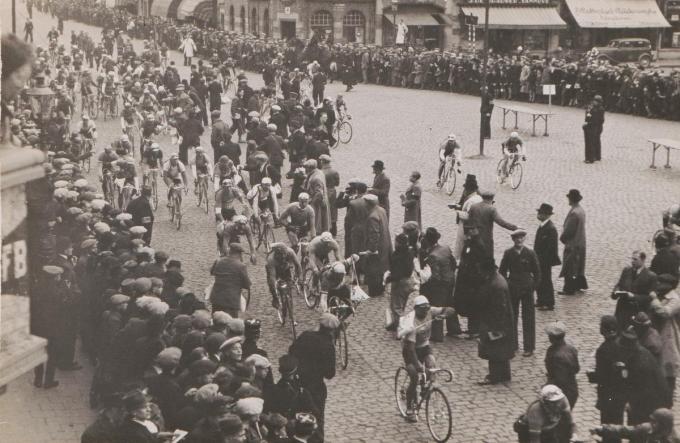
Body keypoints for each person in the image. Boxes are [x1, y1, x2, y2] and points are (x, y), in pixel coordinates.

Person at [397, 295, 456, 422]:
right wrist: (418, 366)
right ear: (416, 309)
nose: (425, 311)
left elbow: (451, 309)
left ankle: (425, 388)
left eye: (427, 308)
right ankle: (410, 407)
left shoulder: (430, 311)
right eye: (422, 309)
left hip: (424, 346)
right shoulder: (411, 324)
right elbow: (411, 350)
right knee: (414, 375)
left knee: (432, 364)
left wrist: (444, 315)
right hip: (410, 350)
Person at [289, 313, 340, 441]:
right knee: (316, 419)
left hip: (298, 384)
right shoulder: (328, 346)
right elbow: (330, 373)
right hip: (316, 388)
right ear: (332, 330)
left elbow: (291, 352)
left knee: (297, 416)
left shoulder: (306, 335)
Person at [499, 229, 540, 357]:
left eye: (521, 237)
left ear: (524, 239)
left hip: (527, 288)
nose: (519, 240)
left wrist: (533, 287)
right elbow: (502, 272)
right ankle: (513, 344)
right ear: (513, 239)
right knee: (512, 317)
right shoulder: (508, 253)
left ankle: (529, 347)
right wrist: (507, 285)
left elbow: (537, 272)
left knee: (528, 318)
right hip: (513, 288)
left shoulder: (530, 253)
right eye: (517, 238)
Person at [587, 315, 627, 443]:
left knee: (608, 426)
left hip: (608, 394)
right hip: (621, 394)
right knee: (617, 425)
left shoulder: (603, 349)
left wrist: (591, 375)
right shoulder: (622, 343)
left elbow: (602, 376)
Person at [476, 257, 516, 385]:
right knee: (501, 349)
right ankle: (504, 374)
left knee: (493, 349)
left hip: (496, 323)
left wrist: (495, 328)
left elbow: (500, 308)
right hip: (502, 322)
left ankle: (494, 376)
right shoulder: (497, 279)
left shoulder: (496, 285)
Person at [420, 227, 460, 340]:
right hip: (450, 280)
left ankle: (437, 334)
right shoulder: (445, 248)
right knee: (450, 303)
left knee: (438, 307)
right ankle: (454, 328)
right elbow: (453, 263)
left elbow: (435, 276)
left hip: (441, 284)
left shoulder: (432, 256)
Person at [649, 274, 680, 400]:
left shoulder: (675, 299)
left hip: (668, 334)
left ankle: (669, 394)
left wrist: (655, 300)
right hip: (655, 331)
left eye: (661, 283)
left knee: (668, 364)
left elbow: (665, 313)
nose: (658, 285)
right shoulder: (660, 294)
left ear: (669, 286)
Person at [263, 354, 320, 421]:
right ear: (296, 370)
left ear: (280, 371)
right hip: (297, 428)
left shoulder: (273, 391)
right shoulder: (302, 392)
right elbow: (316, 413)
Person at [612, 250, 657, 328]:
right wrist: (616, 291)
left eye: (635, 259)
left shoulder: (651, 276)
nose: (632, 261)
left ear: (643, 260)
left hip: (636, 312)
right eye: (632, 259)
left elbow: (650, 298)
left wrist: (634, 297)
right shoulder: (626, 270)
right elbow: (619, 284)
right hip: (621, 310)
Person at [468, 190, 519, 259]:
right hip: (486, 238)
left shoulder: (473, 207)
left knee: (474, 257)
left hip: (474, 236)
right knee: (487, 258)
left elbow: (469, 221)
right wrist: (515, 228)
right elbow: (501, 222)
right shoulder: (491, 209)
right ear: (492, 199)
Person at [544, 322, 580, 410]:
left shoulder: (555, 354)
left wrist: (547, 387)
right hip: (572, 389)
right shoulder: (571, 349)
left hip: (562, 393)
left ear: (552, 338)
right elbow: (577, 368)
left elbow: (560, 380)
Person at [209, 243, 251, 317]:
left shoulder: (218, 261)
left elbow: (212, 272)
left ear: (229, 251)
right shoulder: (241, 266)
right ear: (239, 254)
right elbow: (247, 285)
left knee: (216, 320)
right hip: (231, 301)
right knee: (231, 323)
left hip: (216, 298)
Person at [385, 233, 416, 331]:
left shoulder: (398, 256)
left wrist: (387, 279)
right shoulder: (410, 251)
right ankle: (395, 323)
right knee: (400, 304)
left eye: (396, 242)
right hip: (408, 282)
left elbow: (397, 273)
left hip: (400, 283)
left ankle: (402, 328)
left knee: (397, 307)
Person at [592, 408, 679, 443]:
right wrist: (603, 429)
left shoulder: (674, 440)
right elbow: (625, 431)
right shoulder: (646, 428)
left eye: (655, 422)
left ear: (663, 425)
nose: (652, 424)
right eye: (652, 421)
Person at [559, 189, 588, 295]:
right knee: (578, 265)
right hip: (580, 241)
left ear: (571, 199)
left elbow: (569, 231)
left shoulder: (574, 213)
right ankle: (578, 285)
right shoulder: (581, 210)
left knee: (569, 266)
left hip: (573, 243)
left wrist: (562, 238)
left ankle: (569, 288)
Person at [364, 193, 392, 297]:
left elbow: (374, 235)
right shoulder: (381, 210)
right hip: (385, 242)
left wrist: (371, 249)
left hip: (377, 247)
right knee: (382, 266)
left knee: (374, 269)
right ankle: (381, 287)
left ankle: (375, 291)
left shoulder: (372, 216)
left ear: (368, 204)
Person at [534, 203, 561, 311]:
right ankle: (541, 300)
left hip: (545, 260)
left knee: (546, 280)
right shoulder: (543, 226)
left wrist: (543, 260)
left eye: (540, 213)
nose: (538, 215)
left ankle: (549, 302)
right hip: (539, 258)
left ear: (546, 215)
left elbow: (551, 248)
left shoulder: (551, 228)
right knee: (540, 280)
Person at [451, 174, 482, 261]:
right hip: (471, 228)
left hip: (466, 228)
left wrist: (458, 212)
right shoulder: (476, 197)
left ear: (468, 190)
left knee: (462, 246)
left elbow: (470, 216)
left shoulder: (472, 200)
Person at [266, 243, 302, 309]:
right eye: (281, 255)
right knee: (271, 283)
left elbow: (298, 265)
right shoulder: (270, 259)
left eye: (284, 254)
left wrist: (298, 278)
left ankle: (289, 304)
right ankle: (275, 299)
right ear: (276, 254)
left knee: (289, 283)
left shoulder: (290, 252)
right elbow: (272, 277)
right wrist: (274, 287)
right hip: (274, 269)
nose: (283, 256)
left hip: (285, 267)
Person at [303, 159, 330, 234]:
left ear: (310, 168)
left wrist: (312, 203)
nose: (305, 169)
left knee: (317, 220)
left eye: (306, 168)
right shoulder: (318, 172)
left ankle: (317, 233)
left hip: (317, 203)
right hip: (317, 200)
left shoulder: (316, 178)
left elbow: (318, 193)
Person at [319, 155, 340, 236]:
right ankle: (334, 229)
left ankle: (326, 228)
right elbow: (337, 183)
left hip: (324, 191)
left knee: (325, 210)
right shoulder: (334, 172)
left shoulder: (321, 172)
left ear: (323, 162)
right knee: (333, 209)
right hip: (333, 191)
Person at [583, 95, 605, 163]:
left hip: (592, 126)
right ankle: (597, 156)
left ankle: (590, 158)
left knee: (590, 142)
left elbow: (587, 118)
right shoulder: (601, 109)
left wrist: (588, 111)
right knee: (596, 141)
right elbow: (602, 120)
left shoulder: (592, 109)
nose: (594, 102)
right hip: (598, 126)